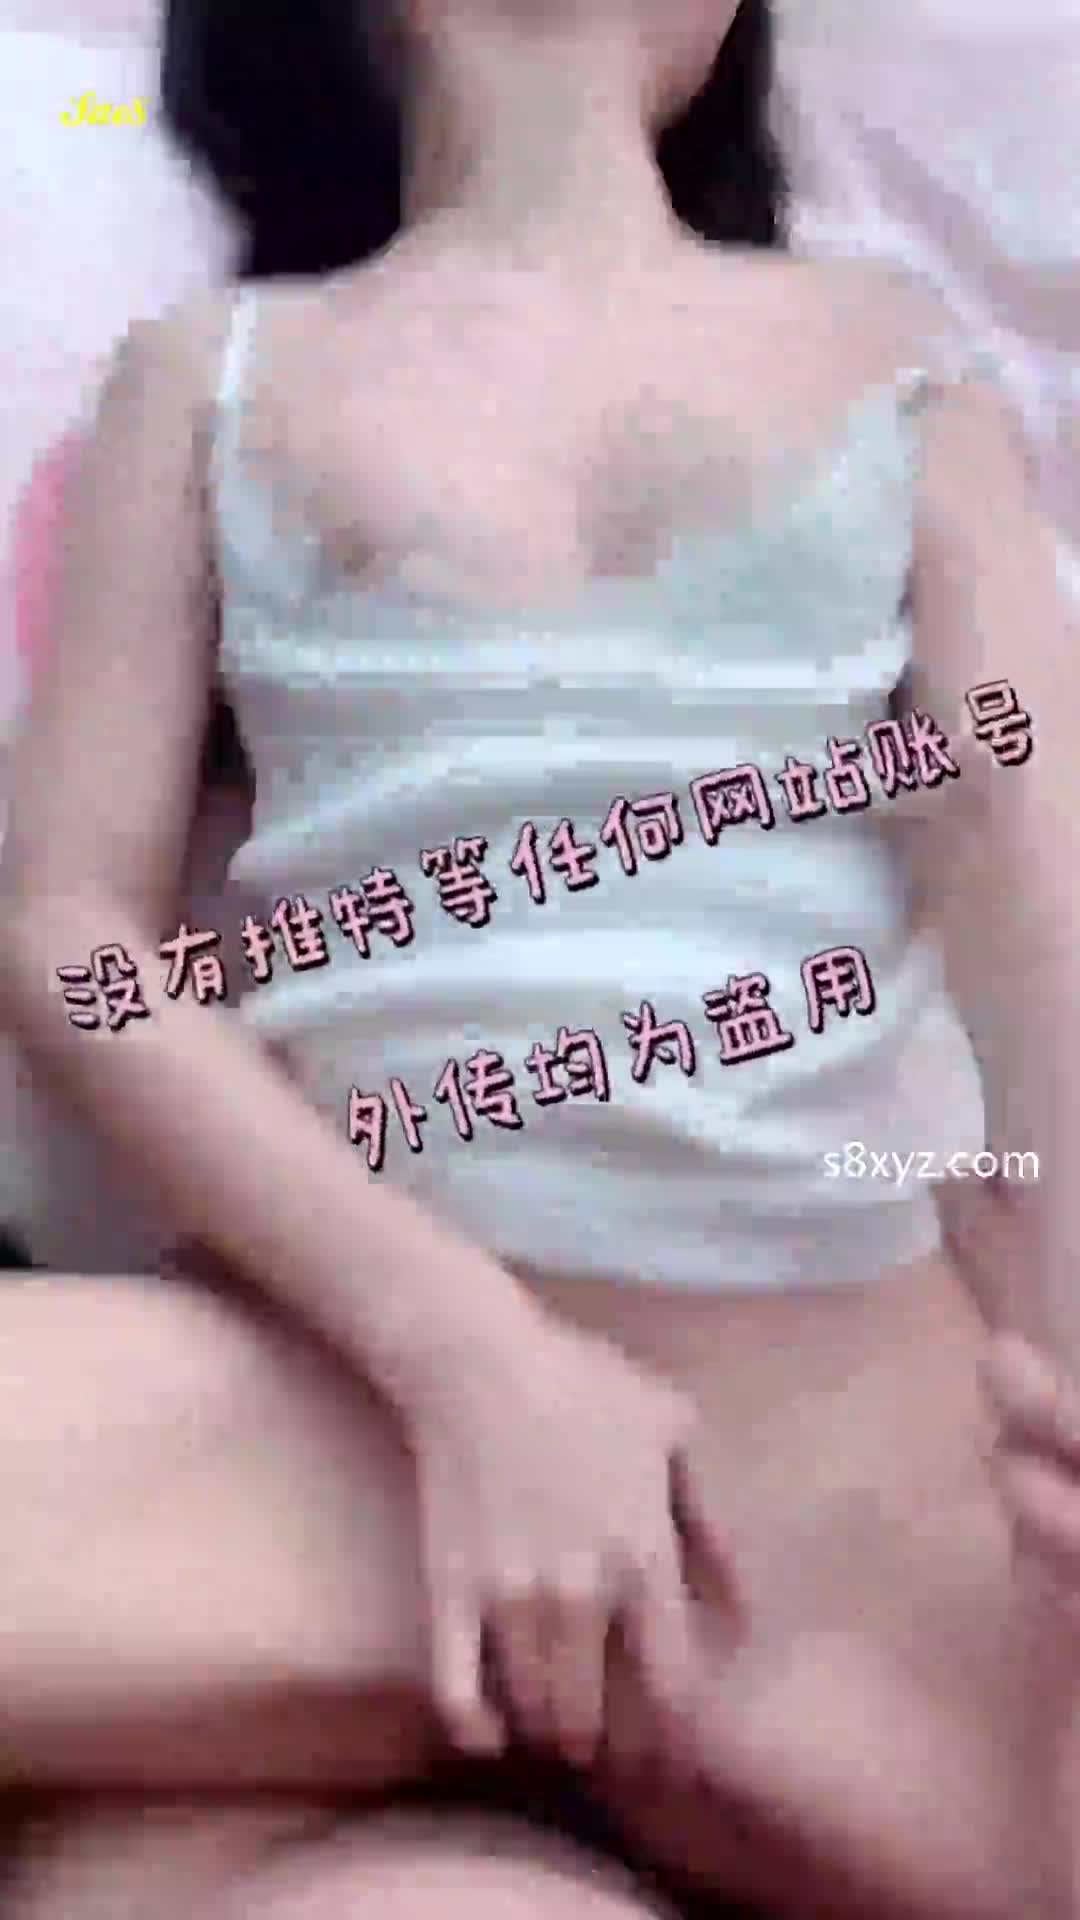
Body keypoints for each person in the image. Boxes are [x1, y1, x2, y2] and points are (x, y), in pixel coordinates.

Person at [3, 1, 1080, 1915]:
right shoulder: (213, 370)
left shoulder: (902, 359)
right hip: (355, 1406)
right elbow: (70, 931)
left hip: (848, 1484)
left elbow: (1045, 884)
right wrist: (467, 1354)